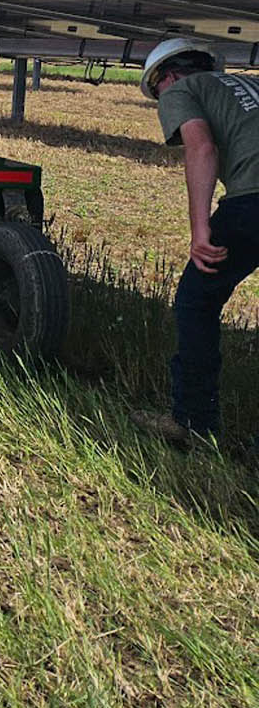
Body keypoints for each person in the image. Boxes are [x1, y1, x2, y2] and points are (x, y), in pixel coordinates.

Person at [134, 36, 259, 449]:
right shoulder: (248, 85)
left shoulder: (182, 89)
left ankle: (194, 424)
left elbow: (201, 147)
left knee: (196, 301)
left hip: (253, 200)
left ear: (164, 77)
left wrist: (200, 228)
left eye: (157, 95)